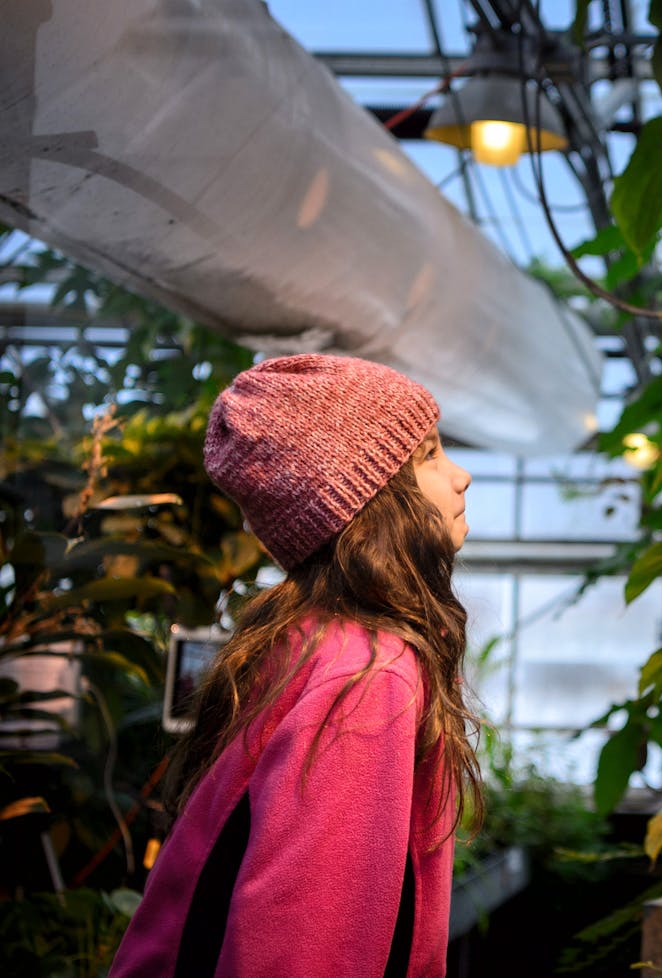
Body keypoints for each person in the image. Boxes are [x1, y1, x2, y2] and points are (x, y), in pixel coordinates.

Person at [110, 353, 478, 978]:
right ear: (371, 502)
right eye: (429, 456)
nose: (461, 475)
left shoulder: (306, 639)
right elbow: (304, 945)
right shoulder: (366, 677)